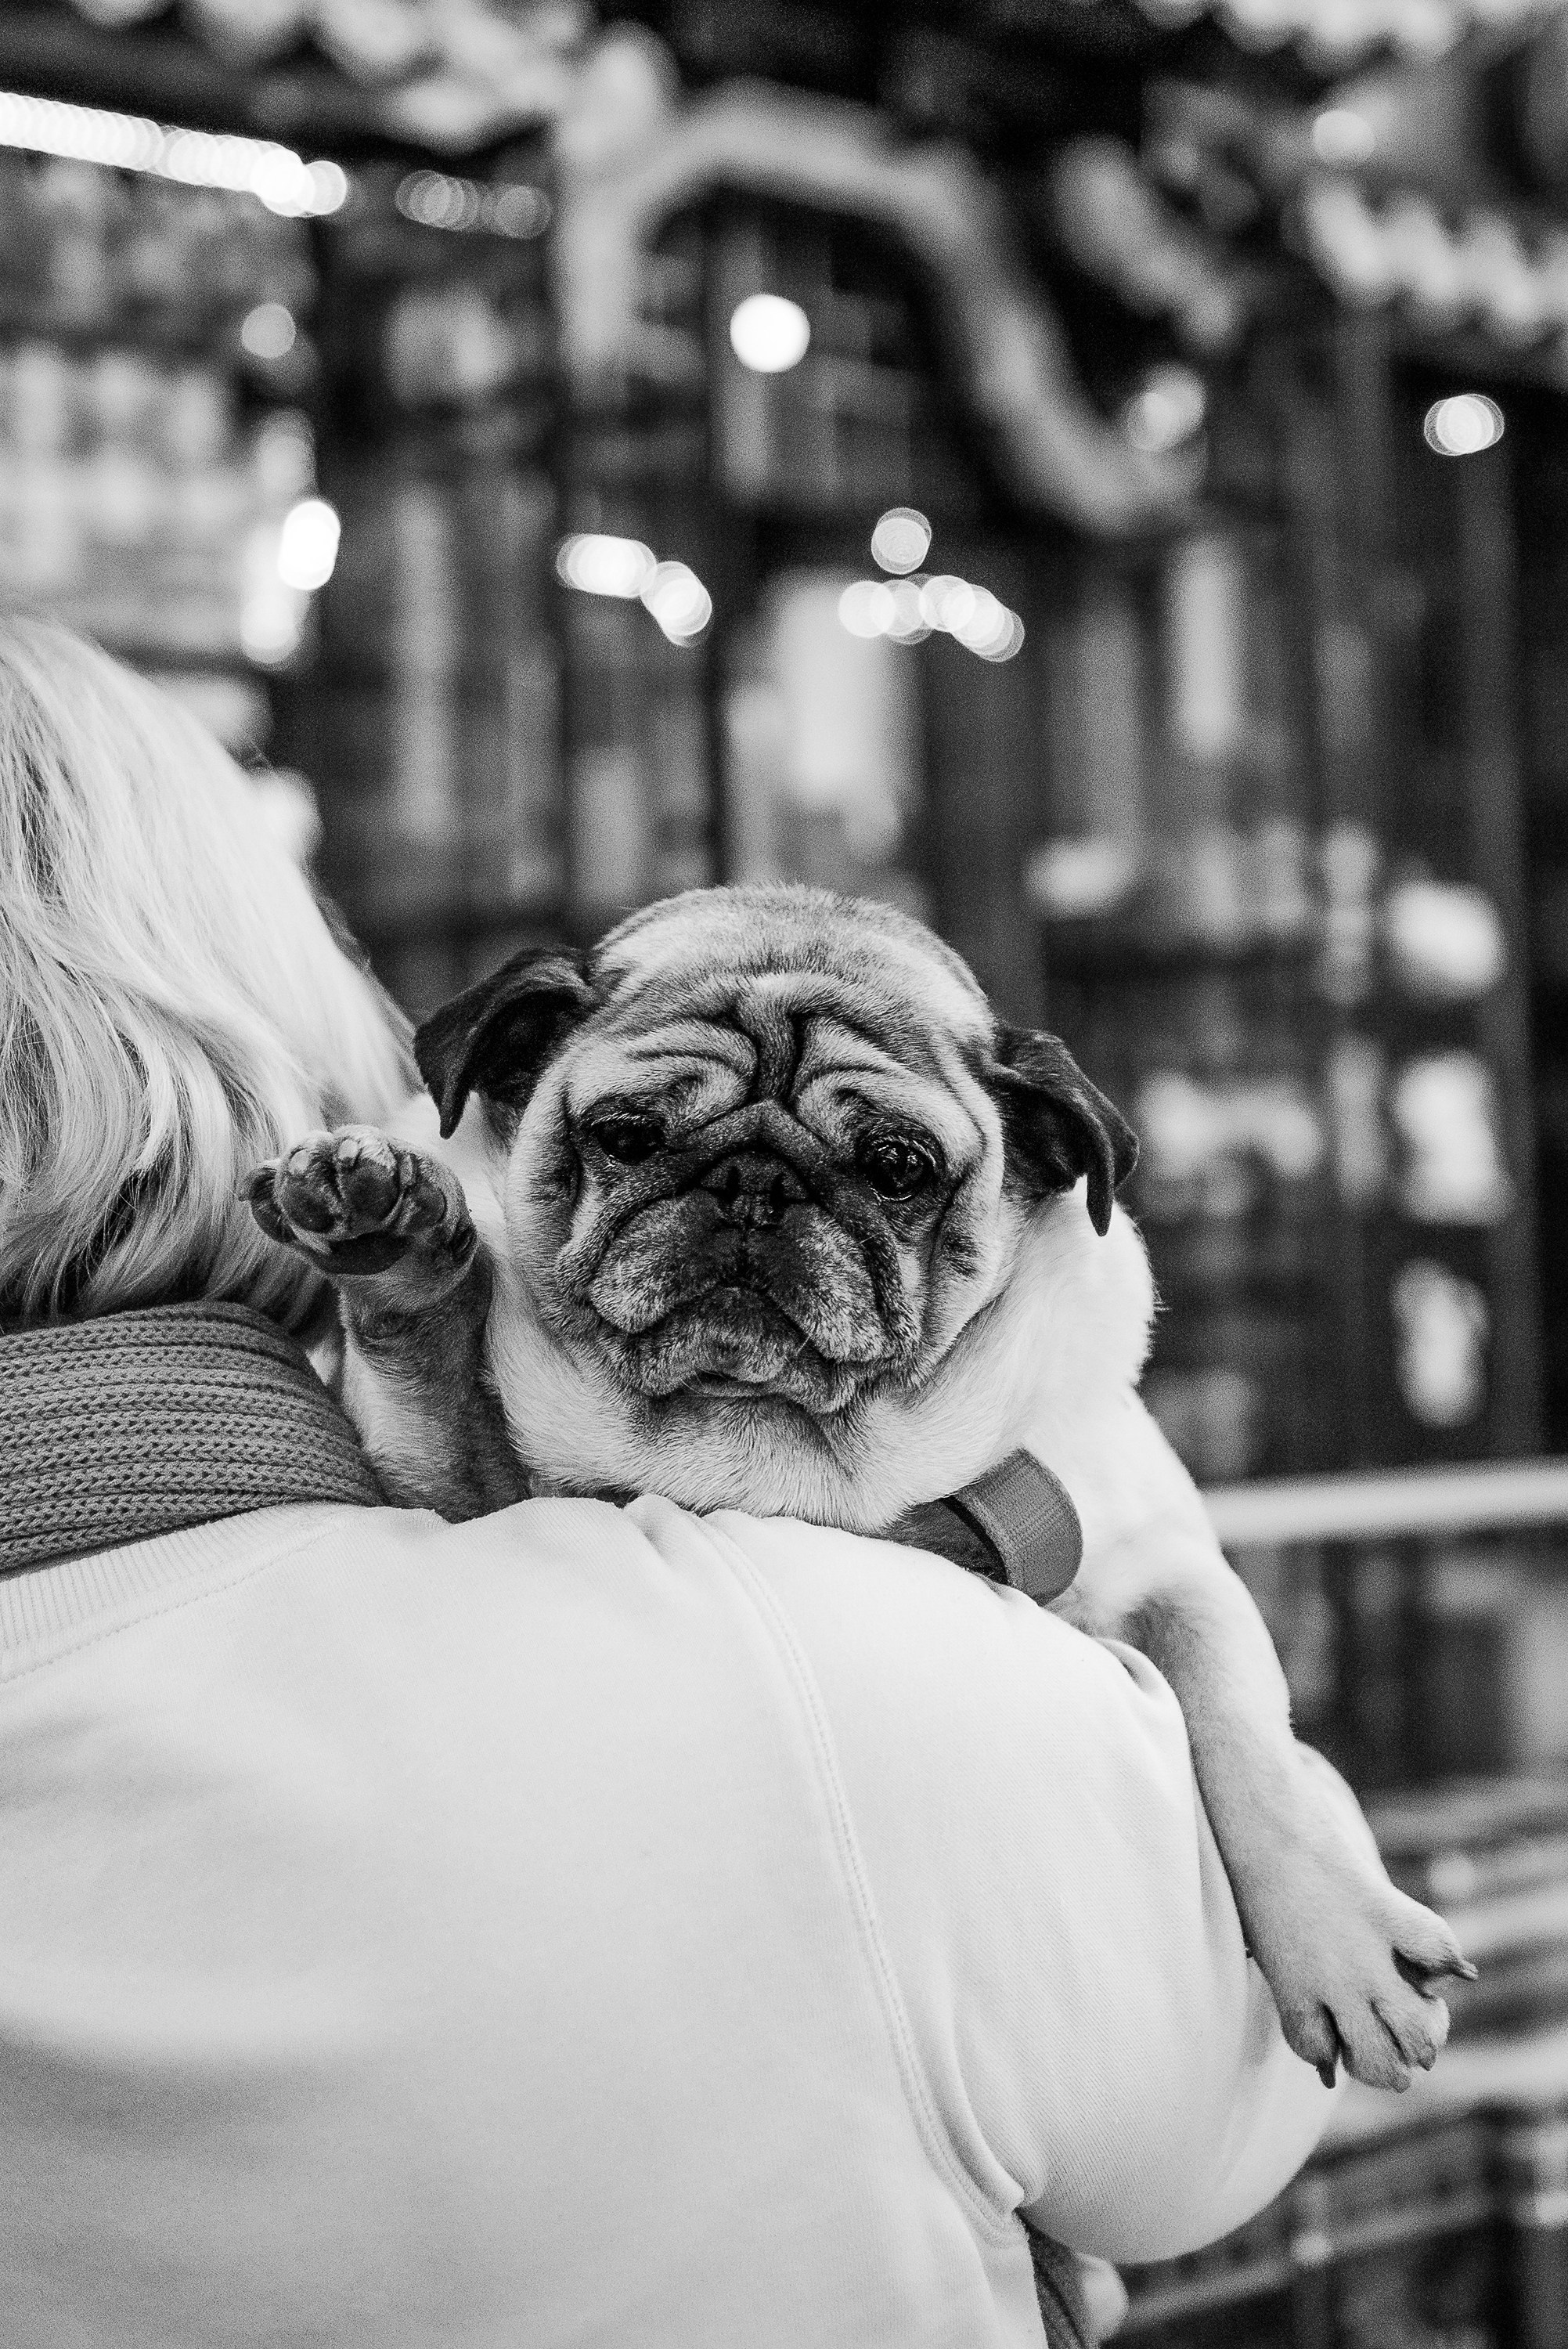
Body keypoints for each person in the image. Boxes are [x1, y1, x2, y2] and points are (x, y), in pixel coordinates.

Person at [0, 620, 1351, 2347]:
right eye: (645, 1138)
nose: (755, 1211)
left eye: (865, 1166)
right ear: (310, 1051)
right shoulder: (828, 1685)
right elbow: (1217, 2133)